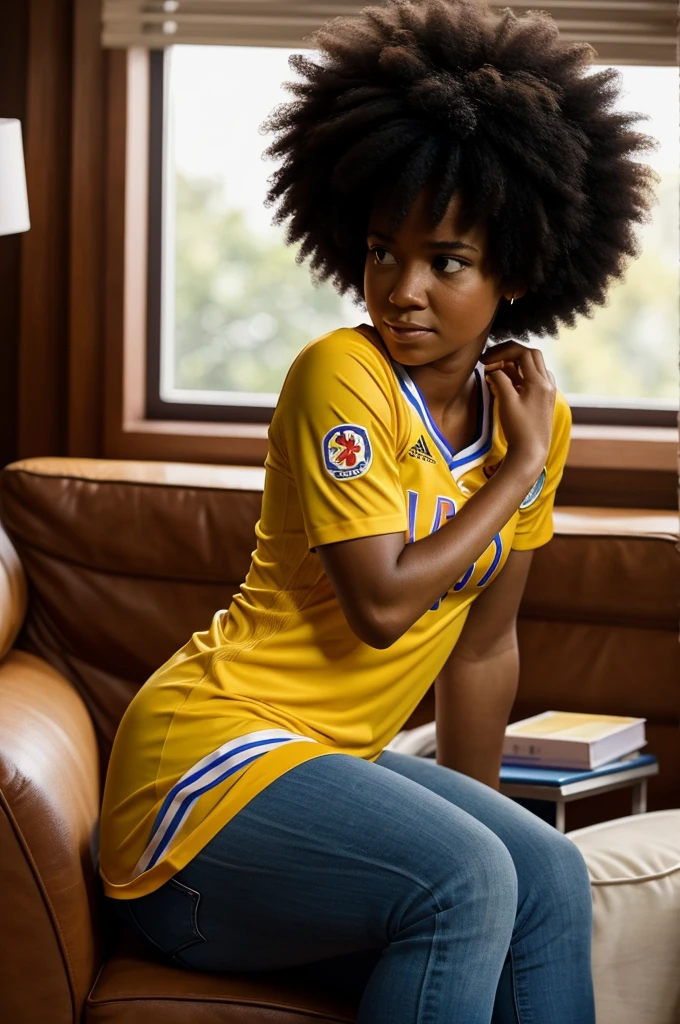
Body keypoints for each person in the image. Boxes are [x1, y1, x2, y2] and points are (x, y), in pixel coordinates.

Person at [98, 1, 658, 1020]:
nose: (401, 289)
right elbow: (384, 607)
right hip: (200, 789)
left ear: (515, 272)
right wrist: (511, 472)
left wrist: (492, 830)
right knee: (466, 879)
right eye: (380, 251)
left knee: (543, 878)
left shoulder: (531, 422)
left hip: (320, 769)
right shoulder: (339, 377)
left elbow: (484, 649)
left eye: (445, 260)